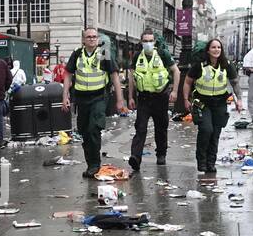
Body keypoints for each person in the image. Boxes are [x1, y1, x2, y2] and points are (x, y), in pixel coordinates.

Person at [61, 27, 125, 179]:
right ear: (83, 40)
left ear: (98, 39)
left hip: (99, 97)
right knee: (84, 131)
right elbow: (68, 75)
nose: (91, 39)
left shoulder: (104, 54)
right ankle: (91, 163)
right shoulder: (77, 54)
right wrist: (65, 97)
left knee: (93, 129)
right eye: (88, 37)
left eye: (94, 37)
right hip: (82, 99)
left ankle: (95, 164)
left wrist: (120, 99)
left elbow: (114, 75)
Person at [179, 37, 242, 179]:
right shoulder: (199, 65)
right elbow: (188, 82)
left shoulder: (226, 65)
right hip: (202, 102)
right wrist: (185, 99)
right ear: (208, 50)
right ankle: (201, 161)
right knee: (206, 130)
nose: (216, 50)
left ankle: (211, 162)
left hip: (219, 103)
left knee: (215, 134)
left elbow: (235, 83)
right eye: (213, 47)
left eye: (219, 47)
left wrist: (240, 101)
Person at [125, 28, 180, 173]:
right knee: (140, 128)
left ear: (154, 42)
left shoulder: (162, 54)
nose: (148, 43)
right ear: (141, 42)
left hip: (160, 97)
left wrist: (174, 91)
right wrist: (130, 97)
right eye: (145, 41)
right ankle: (135, 157)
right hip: (143, 98)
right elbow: (132, 77)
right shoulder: (137, 56)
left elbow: (176, 71)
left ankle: (161, 154)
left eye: (150, 41)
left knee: (161, 128)